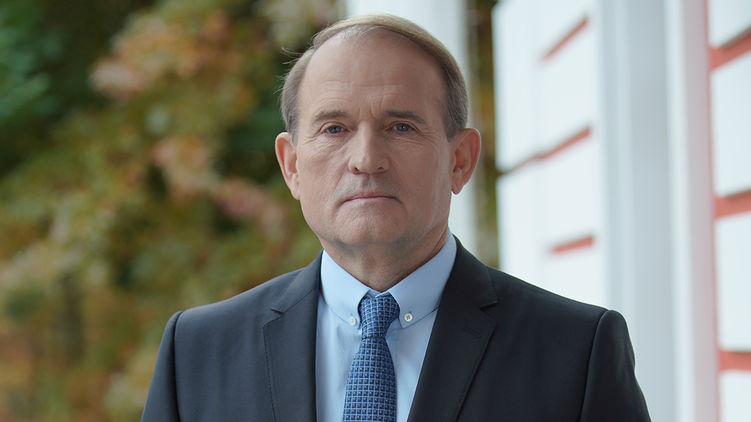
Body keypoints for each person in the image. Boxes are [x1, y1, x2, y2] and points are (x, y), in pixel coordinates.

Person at [140, 14, 651, 422]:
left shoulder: (575, 352)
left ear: (460, 160)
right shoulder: (198, 352)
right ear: (292, 166)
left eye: (401, 126)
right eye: (334, 128)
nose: (366, 159)